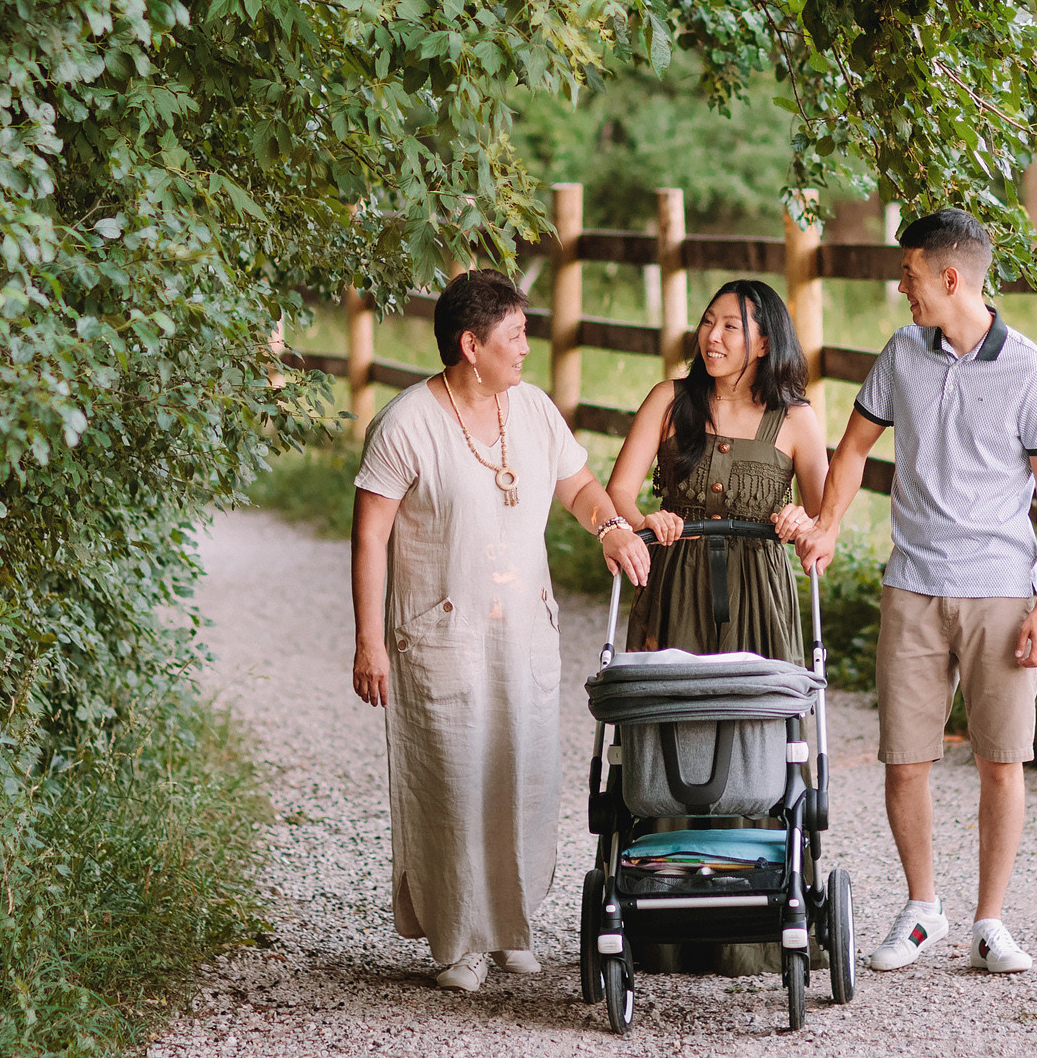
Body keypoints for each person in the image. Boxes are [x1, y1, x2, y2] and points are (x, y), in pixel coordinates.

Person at [350, 268, 653, 994]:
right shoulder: (407, 423)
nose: (526, 347)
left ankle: (510, 923)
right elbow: (369, 537)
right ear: (469, 344)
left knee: (523, 772)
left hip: (523, 630)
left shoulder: (535, 409)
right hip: (441, 634)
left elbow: (578, 485)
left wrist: (609, 524)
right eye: (513, 335)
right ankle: (458, 940)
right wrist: (368, 640)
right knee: (453, 779)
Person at [793, 209, 1037, 976]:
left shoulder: (1032, 370)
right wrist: (827, 525)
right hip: (913, 584)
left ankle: (990, 921)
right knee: (905, 759)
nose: (900, 286)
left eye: (909, 274)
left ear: (952, 279)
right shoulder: (901, 354)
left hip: (1002, 591)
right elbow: (851, 449)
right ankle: (923, 909)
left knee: (1000, 760)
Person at [601, 280, 828, 975]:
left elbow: (826, 523)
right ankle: (663, 927)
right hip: (677, 593)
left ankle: (758, 929)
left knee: (755, 737)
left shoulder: (795, 418)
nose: (714, 336)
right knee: (678, 733)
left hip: (761, 599)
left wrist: (802, 521)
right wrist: (647, 516)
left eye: (732, 325)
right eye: (709, 322)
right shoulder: (670, 402)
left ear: (766, 339)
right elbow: (618, 491)